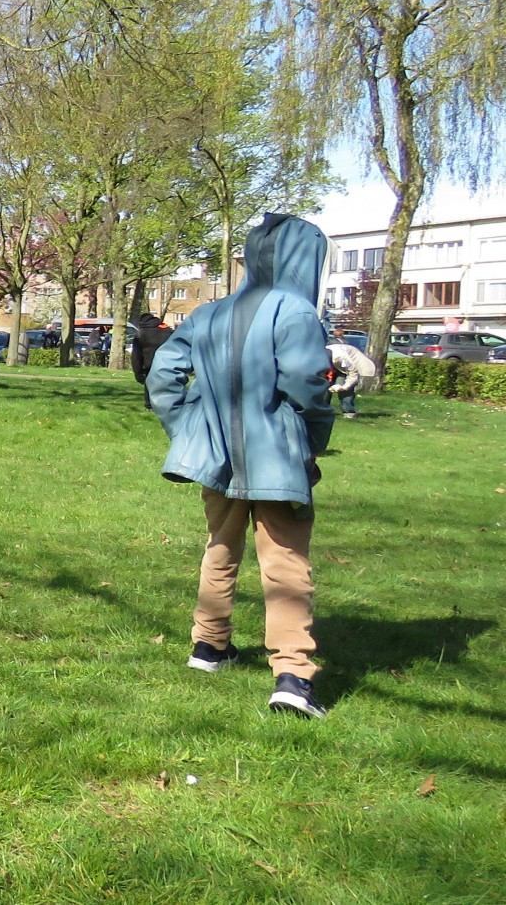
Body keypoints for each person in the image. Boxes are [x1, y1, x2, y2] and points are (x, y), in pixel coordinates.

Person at [148, 213, 336, 720]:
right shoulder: (296, 312)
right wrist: (314, 438)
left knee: (220, 548)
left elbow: (164, 376)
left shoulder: (210, 312)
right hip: (277, 456)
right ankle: (293, 677)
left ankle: (208, 647)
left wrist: (189, 429)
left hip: (219, 458)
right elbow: (308, 383)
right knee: (285, 564)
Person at [326, 332, 377, 421]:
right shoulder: (323, 353)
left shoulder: (342, 358)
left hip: (348, 367)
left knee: (343, 387)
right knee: (324, 386)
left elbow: (352, 374)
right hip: (336, 366)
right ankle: (323, 410)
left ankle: (349, 412)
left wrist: (344, 387)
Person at [130, 312, 175, 408]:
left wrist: (138, 373)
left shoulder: (141, 334)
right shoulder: (168, 331)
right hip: (168, 364)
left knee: (150, 387)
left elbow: (136, 356)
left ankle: (149, 405)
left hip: (149, 365)